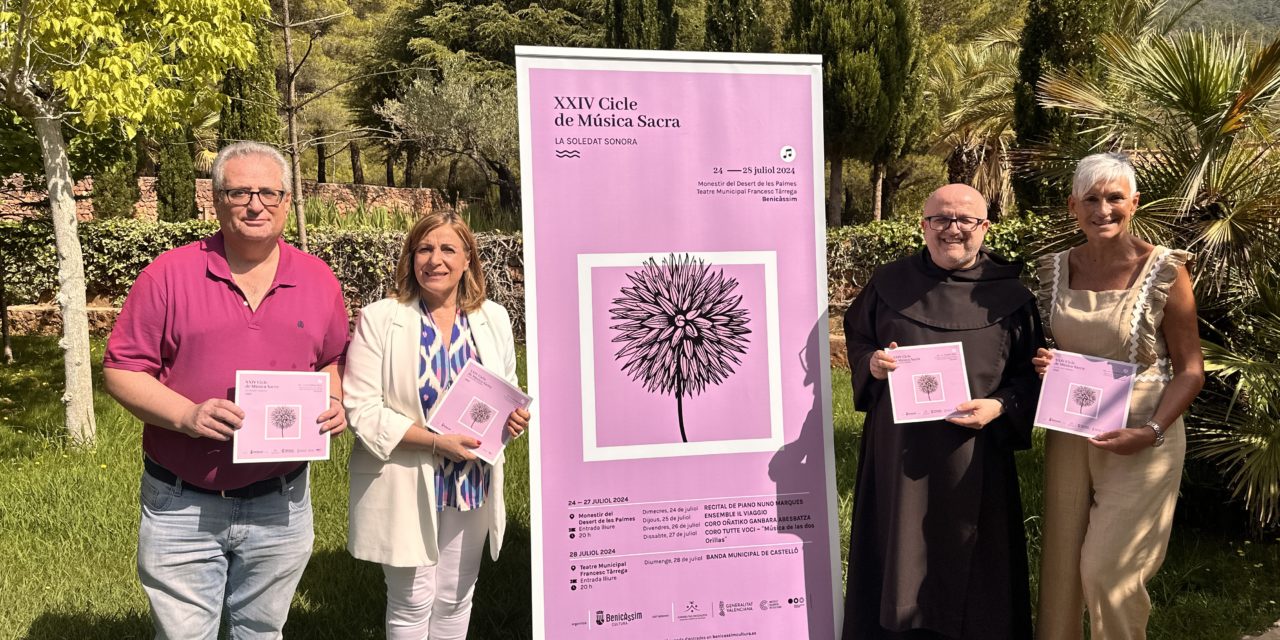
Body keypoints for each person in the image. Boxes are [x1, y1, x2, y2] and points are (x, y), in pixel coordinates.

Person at [103, 141, 349, 639]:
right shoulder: (168, 275)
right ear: (215, 201)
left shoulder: (318, 278)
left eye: (267, 192)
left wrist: (336, 402)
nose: (255, 204)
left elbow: (331, 358)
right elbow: (122, 368)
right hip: (183, 501)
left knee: (262, 631)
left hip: (281, 501)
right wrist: (186, 416)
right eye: (239, 193)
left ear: (285, 200)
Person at [842, 183, 1042, 640]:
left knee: (974, 563)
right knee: (900, 556)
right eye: (940, 220)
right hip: (899, 457)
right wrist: (871, 364)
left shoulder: (1010, 296)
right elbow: (858, 339)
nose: (952, 229)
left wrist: (999, 406)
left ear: (985, 227)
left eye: (965, 220)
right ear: (923, 226)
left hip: (976, 460)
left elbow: (1034, 375)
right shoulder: (889, 283)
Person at [1033, 153, 1203, 640]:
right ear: (1073, 206)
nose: (1102, 209)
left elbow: (1192, 370)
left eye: (1114, 198)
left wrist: (1149, 432)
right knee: (1063, 570)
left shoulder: (1165, 270)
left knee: (1109, 574)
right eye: (1090, 199)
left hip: (1144, 432)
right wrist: (1050, 365)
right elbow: (1063, 351)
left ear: (1134, 203)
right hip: (1072, 429)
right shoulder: (1058, 269)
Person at [344, 211, 531, 639]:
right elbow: (362, 408)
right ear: (411, 258)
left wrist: (513, 418)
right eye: (424, 248)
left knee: (454, 598)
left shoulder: (494, 318)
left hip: (470, 479)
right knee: (410, 603)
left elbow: (507, 388)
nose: (435, 259)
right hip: (406, 475)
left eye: (448, 248)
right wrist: (434, 443)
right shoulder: (380, 318)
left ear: (468, 259)